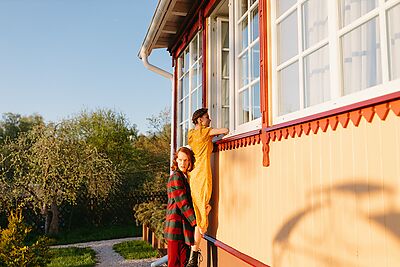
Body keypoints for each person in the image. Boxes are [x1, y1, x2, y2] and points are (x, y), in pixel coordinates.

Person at [186, 108, 229, 267]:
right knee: (203, 214)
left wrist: (211, 137)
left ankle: (193, 254)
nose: (209, 120)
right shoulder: (205, 132)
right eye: (207, 117)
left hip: (194, 176)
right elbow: (226, 130)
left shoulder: (191, 134)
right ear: (199, 120)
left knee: (199, 211)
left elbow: (201, 144)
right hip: (203, 176)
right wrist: (215, 134)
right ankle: (193, 255)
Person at [164, 147, 197, 267]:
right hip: (175, 226)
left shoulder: (185, 177)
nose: (183, 163)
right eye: (180, 160)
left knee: (183, 262)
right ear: (176, 161)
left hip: (184, 227)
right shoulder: (176, 177)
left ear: (189, 162)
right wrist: (196, 221)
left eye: (185, 160)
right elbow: (183, 203)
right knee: (174, 263)